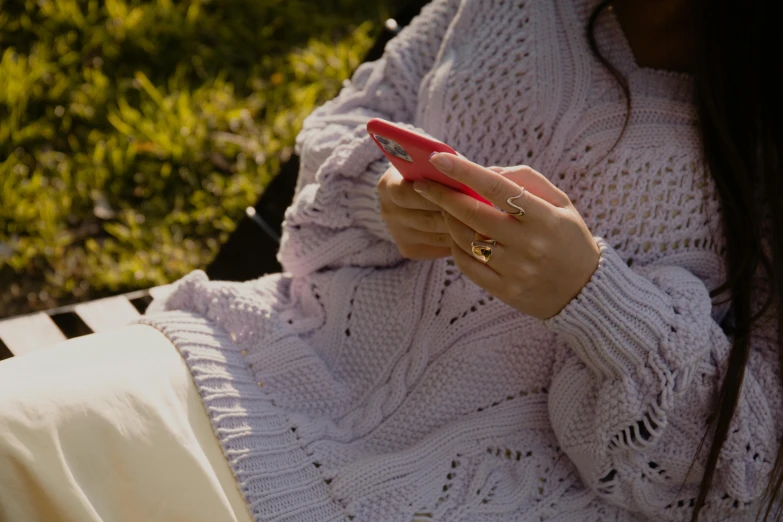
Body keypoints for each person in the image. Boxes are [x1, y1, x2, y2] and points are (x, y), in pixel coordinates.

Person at [1, 0, 780, 520]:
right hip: (266, 372)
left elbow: (749, 478)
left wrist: (600, 304)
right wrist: (382, 201)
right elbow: (349, 125)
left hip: (498, 494)